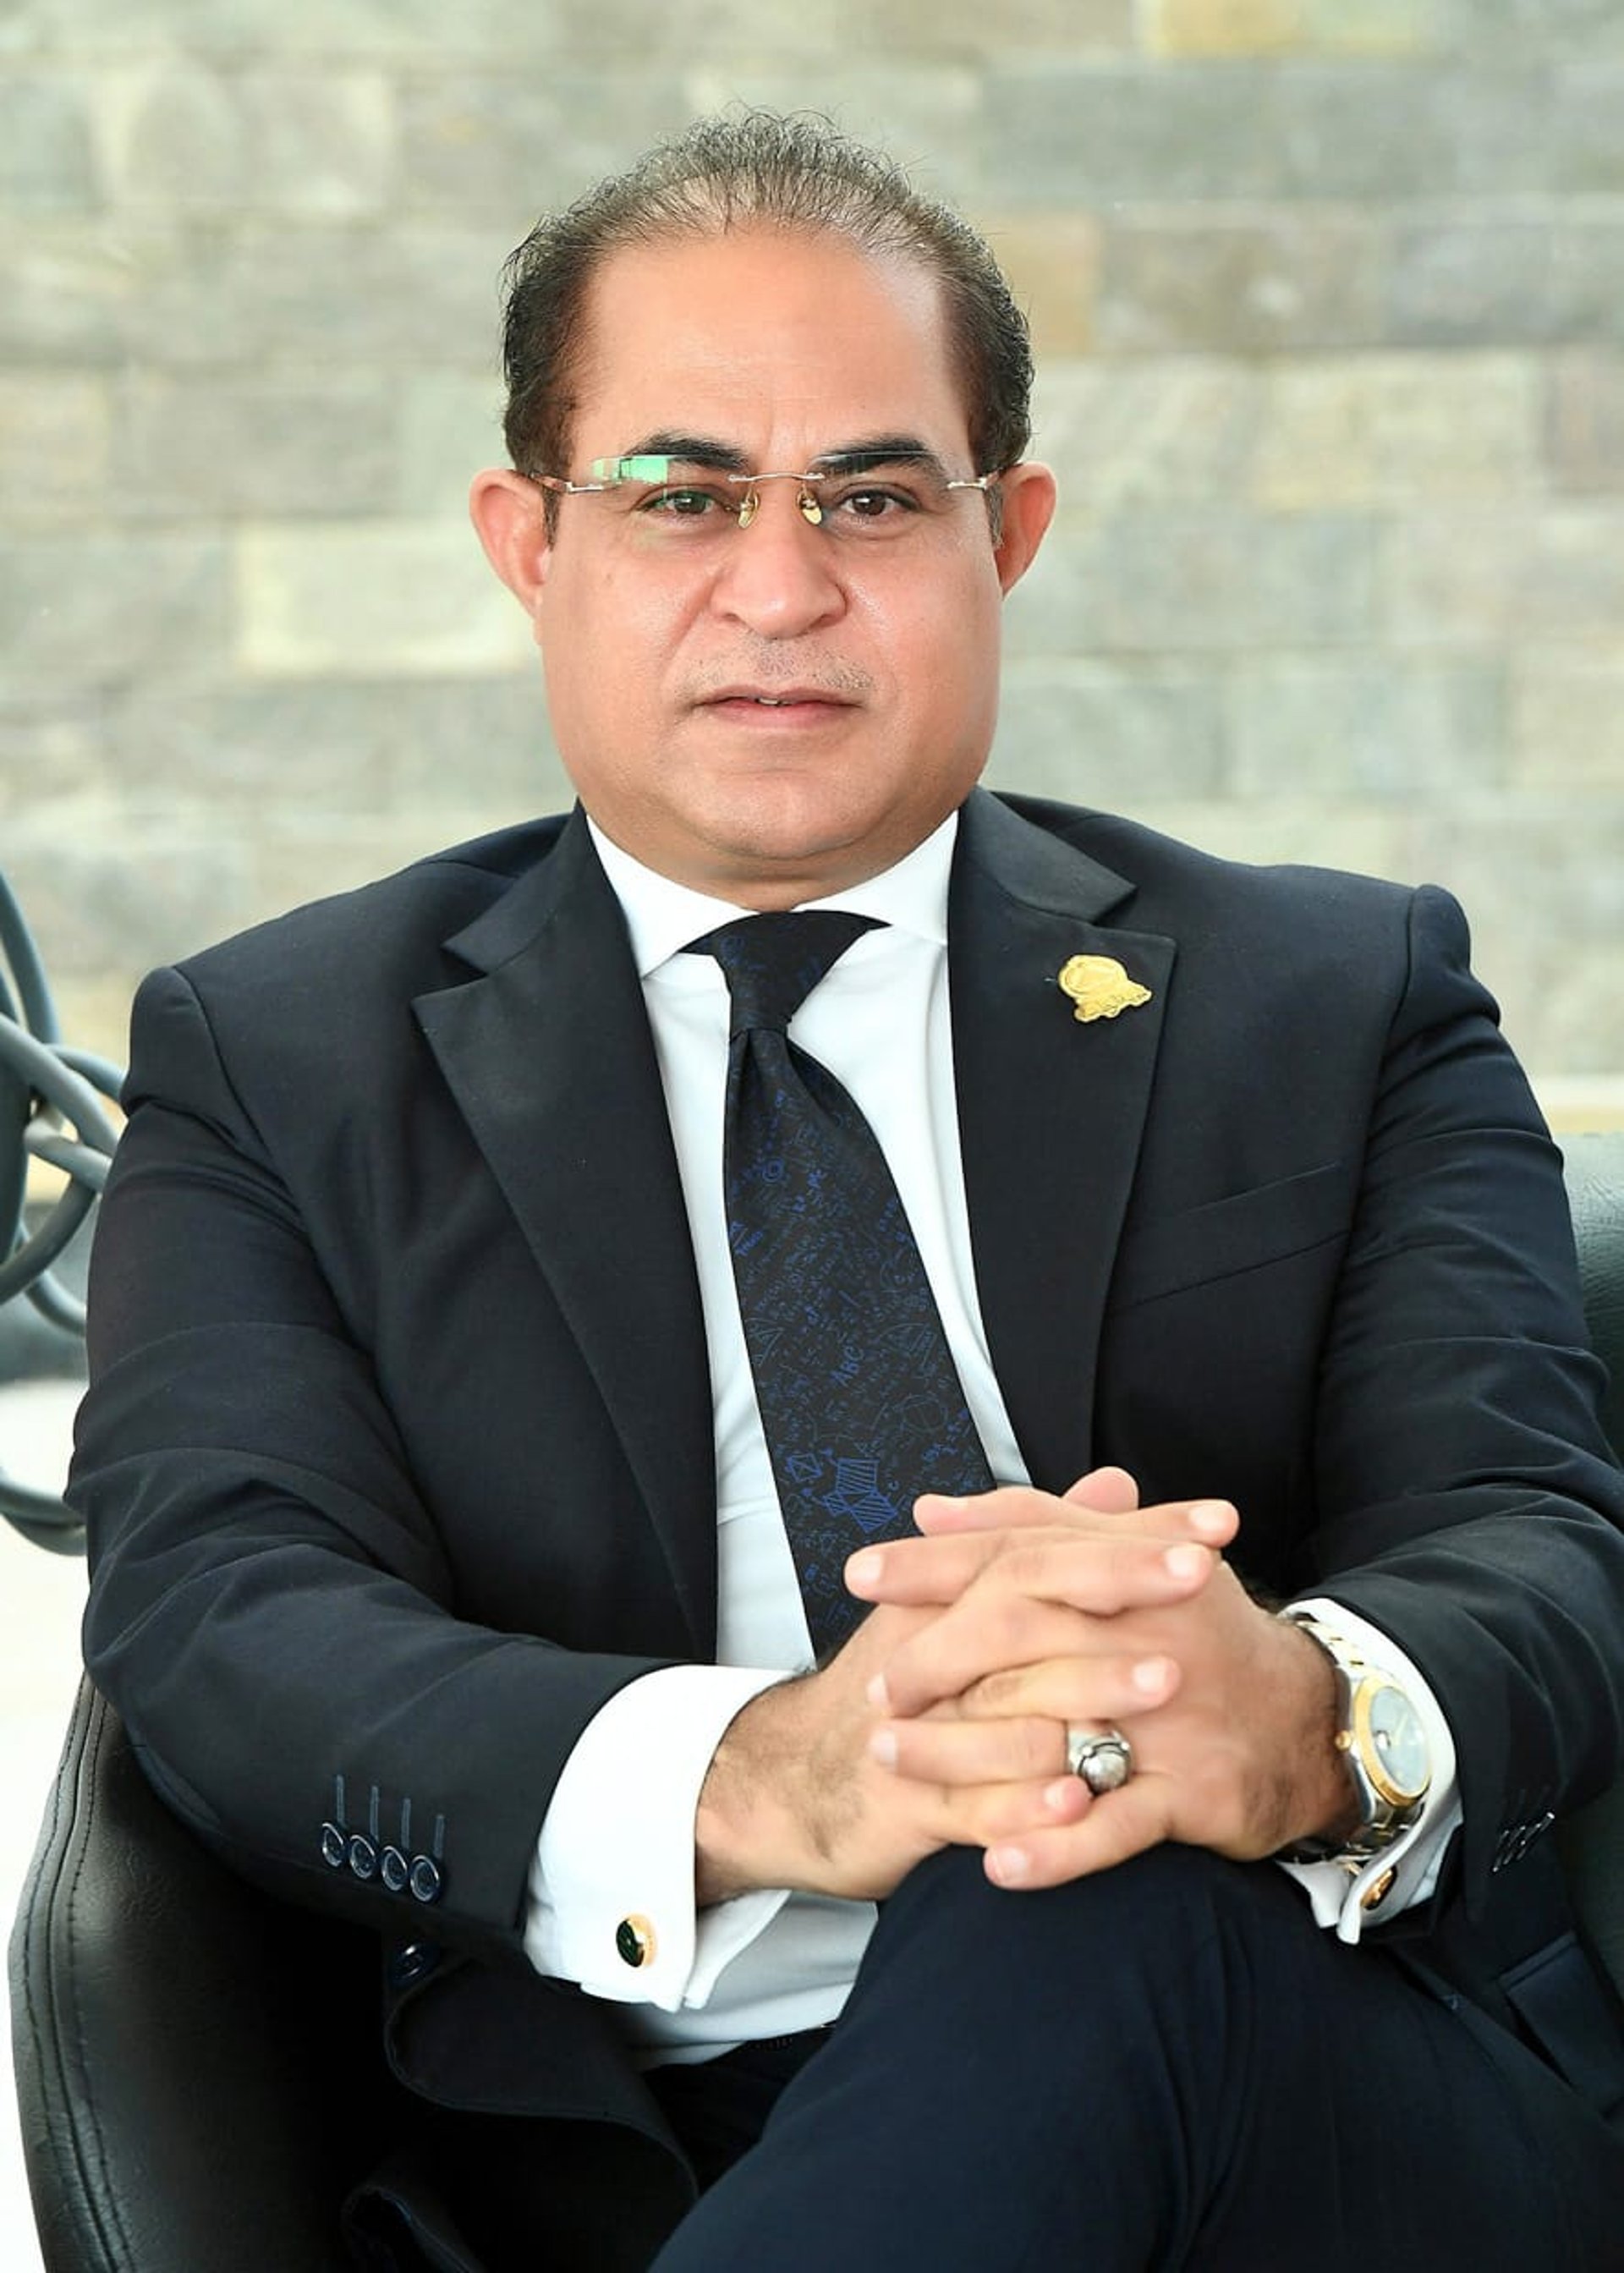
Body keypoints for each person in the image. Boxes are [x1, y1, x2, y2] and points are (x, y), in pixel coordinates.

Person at [72, 112, 1624, 2270]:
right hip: (619, 2136)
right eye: (682, 494)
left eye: (876, 497)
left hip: (1311, 2080)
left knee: (1070, 1891)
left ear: (1016, 537)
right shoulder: (278, 1062)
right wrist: (777, 1776)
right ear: (530, 540)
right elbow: (221, 1613)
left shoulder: (1337, 996)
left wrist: (1296, 1718)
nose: (780, 586)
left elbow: (1533, 1536)